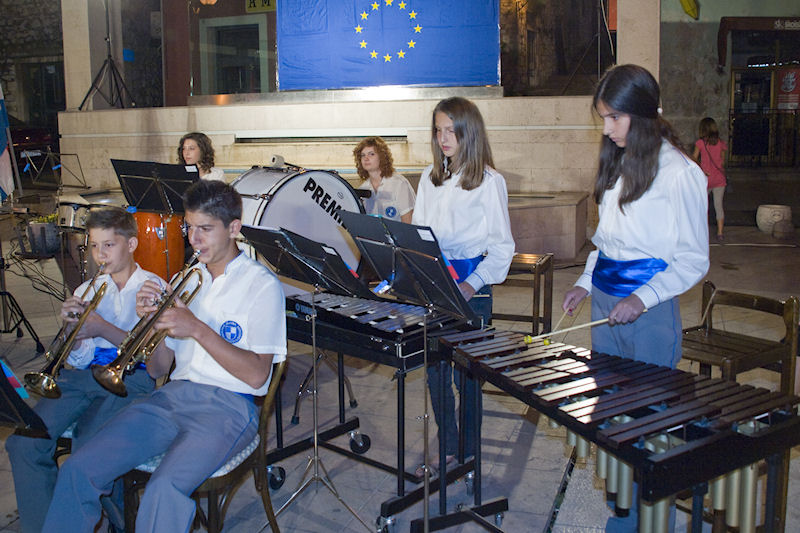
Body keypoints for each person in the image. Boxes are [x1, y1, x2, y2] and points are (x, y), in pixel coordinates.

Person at [41, 180, 287, 533]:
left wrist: (196, 327)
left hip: (230, 406)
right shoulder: (187, 278)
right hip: (172, 396)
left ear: (234, 228)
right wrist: (152, 324)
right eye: (189, 227)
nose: (194, 239)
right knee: (80, 467)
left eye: (205, 229)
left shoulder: (261, 285)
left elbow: (258, 376)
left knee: (164, 490)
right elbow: (158, 368)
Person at [561, 64, 709, 532]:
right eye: (604, 117)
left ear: (643, 114)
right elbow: (607, 243)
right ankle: (624, 514)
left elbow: (693, 260)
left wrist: (643, 298)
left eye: (614, 118)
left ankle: (652, 519)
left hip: (648, 313)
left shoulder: (681, 173)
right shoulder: (618, 161)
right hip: (605, 305)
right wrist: (586, 282)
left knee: (649, 418)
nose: (606, 129)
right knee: (611, 414)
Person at [6, 206, 164, 533]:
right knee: (23, 442)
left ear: (131, 244)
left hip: (130, 380)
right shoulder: (86, 290)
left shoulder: (153, 287)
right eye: (94, 246)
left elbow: (152, 358)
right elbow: (77, 361)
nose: (99, 254)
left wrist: (101, 328)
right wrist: (73, 334)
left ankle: (114, 522)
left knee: (86, 452)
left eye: (109, 245)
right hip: (79, 379)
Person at [412, 97, 515, 476]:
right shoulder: (429, 178)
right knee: (436, 374)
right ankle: (448, 444)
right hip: (437, 285)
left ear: (469, 133)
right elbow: (420, 235)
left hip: (473, 288)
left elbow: (502, 248)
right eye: (438, 130)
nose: (443, 138)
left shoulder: (489, 182)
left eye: (451, 131)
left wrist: (472, 284)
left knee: (467, 377)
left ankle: (469, 452)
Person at [353, 136, 416, 223]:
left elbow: (408, 224)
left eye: (371, 154)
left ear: (382, 157)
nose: (366, 158)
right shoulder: (363, 190)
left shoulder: (399, 184)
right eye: (363, 155)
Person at [692, 117, 728, 241]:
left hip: (705, 178)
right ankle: (720, 233)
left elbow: (694, 159)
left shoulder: (700, 143)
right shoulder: (721, 143)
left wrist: (702, 169)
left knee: (702, 206)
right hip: (719, 179)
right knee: (719, 206)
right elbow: (722, 162)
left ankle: (703, 233)